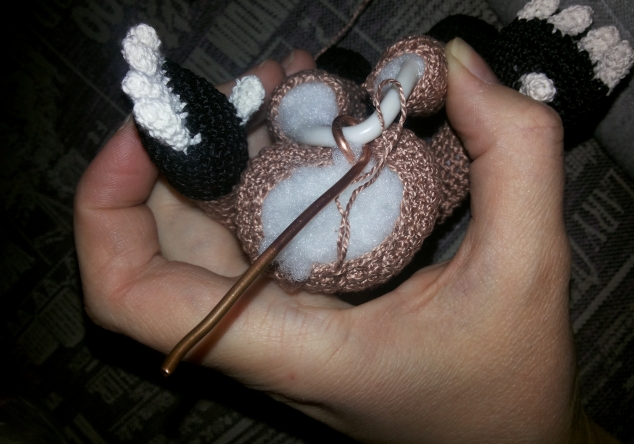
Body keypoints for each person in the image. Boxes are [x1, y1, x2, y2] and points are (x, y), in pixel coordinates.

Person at [74, 39, 620, 443]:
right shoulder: (283, 205)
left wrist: (406, 75)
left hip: (352, 136)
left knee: (342, 81)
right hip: (332, 153)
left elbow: (405, 78)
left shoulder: (359, 177)